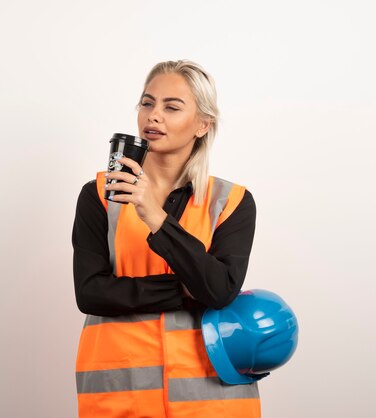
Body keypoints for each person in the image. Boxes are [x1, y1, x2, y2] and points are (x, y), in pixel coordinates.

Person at [72, 60, 261, 417]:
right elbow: (91, 292)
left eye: (171, 107)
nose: (153, 116)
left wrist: (154, 216)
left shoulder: (231, 202)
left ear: (203, 124)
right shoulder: (99, 195)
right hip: (120, 392)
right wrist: (185, 290)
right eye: (147, 103)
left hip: (211, 396)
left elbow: (220, 290)